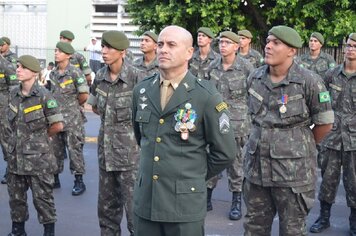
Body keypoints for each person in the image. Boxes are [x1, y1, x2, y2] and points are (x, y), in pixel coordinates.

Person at [132, 25, 236, 236]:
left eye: (171, 45)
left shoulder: (205, 95)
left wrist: (192, 175)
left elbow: (225, 152)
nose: (163, 50)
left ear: (189, 52)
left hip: (184, 207)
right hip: (146, 202)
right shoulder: (142, 90)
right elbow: (142, 138)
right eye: (160, 44)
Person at [243, 25, 334, 236]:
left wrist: (299, 145)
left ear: (292, 50)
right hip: (257, 170)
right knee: (254, 227)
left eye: (276, 43)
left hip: (293, 174)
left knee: (292, 230)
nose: (268, 46)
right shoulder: (255, 78)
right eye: (267, 41)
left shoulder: (309, 81)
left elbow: (325, 123)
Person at [87, 30, 139, 236]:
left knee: (135, 214)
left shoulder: (137, 77)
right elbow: (95, 107)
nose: (104, 51)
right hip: (105, 156)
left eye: (109, 47)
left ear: (123, 52)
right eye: (103, 47)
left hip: (131, 158)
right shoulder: (100, 76)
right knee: (107, 213)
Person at [6, 55, 63, 236]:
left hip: (39, 160)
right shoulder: (13, 94)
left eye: (22, 67)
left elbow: (57, 125)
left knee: (43, 199)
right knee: (16, 198)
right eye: (17, 66)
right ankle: (18, 230)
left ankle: (49, 231)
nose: (18, 70)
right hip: (15, 158)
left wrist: (38, 139)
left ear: (33, 72)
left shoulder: (44, 96)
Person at [309, 33, 356, 236]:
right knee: (328, 180)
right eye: (348, 45)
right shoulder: (331, 75)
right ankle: (324, 217)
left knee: (354, 182)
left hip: (354, 140)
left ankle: (354, 222)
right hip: (332, 137)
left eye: (355, 46)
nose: (350, 49)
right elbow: (322, 101)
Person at [206, 31, 253, 220]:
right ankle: (207, 198)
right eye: (221, 42)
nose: (222, 45)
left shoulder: (246, 68)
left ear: (236, 46)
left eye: (227, 42)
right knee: (211, 159)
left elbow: (254, 95)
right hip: (214, 122)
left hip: (237, 124)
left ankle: (236, 202)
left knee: (236, 163)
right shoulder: (212, 67)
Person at [48, 41, 89, 195]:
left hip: (72, 120)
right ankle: (55, 178)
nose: (56, 53)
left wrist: (71, 107)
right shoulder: (53, 73)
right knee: (55, 151)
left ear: (67, 55)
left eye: (59, 51)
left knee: (74, 150)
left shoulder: (75, 72)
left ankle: (79, 181)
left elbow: (84, 95)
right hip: (56, 119)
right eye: (55, 50)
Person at [0, 46, 18, 185]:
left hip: (3, 110)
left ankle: (10, 168)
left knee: (6, 140)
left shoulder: (6, 65)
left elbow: (14, 91)